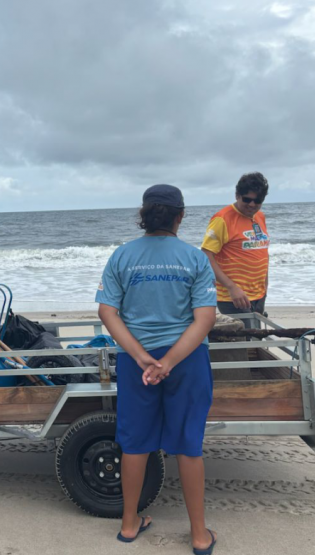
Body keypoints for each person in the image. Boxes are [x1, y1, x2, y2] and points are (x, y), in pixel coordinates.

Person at [96, 184, 218, 554]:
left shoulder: (122, 256)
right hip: (186, 360)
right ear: (180, 216)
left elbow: (107, 312)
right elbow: (205, 319)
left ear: (144, 215)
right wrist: (169, 361)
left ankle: (129, 525)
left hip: (138, 362)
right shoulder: (194, 258)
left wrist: (141, 357)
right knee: (188, 445)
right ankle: (198, 534)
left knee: (135, 442)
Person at [201, 172, 270, 315]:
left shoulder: (260, 216)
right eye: (247, 199)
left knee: (256, 336)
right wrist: (231, 287)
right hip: (233, 297)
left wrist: (265, 286)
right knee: (243, 337)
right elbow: (206, 255)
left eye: (257, 201)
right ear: (237, 195)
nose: (252, 204)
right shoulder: (222, 219)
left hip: (259, 294)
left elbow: (262, 250)